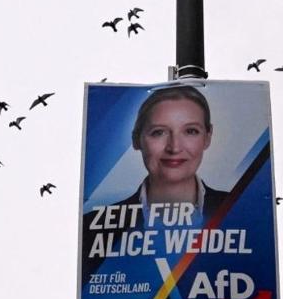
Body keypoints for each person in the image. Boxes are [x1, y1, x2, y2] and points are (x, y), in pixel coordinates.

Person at [81, 85, 228, 280]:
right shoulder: (92, 228)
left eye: (190, 131)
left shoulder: (240, 212)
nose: (174, 147)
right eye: (159, 132)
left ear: (207, 137)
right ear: (136, 139)